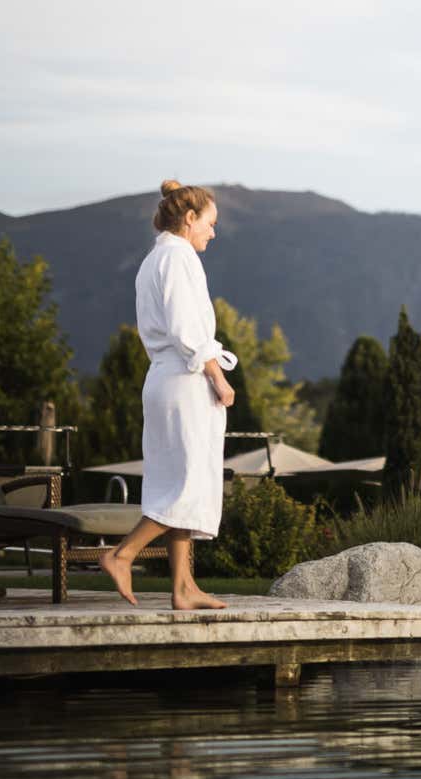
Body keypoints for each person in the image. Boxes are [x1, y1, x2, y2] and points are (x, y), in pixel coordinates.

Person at [101, 180, 236, 610]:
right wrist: (218, 375)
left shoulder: (155, 258)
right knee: (188, 481)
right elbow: (186, 329)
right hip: (184, 378)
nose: (213, 233)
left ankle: (182, 587)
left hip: (165, 378)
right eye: (210, 224)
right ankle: (122, 555)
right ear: (189, 218)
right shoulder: (179, 257)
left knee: (177, 479)